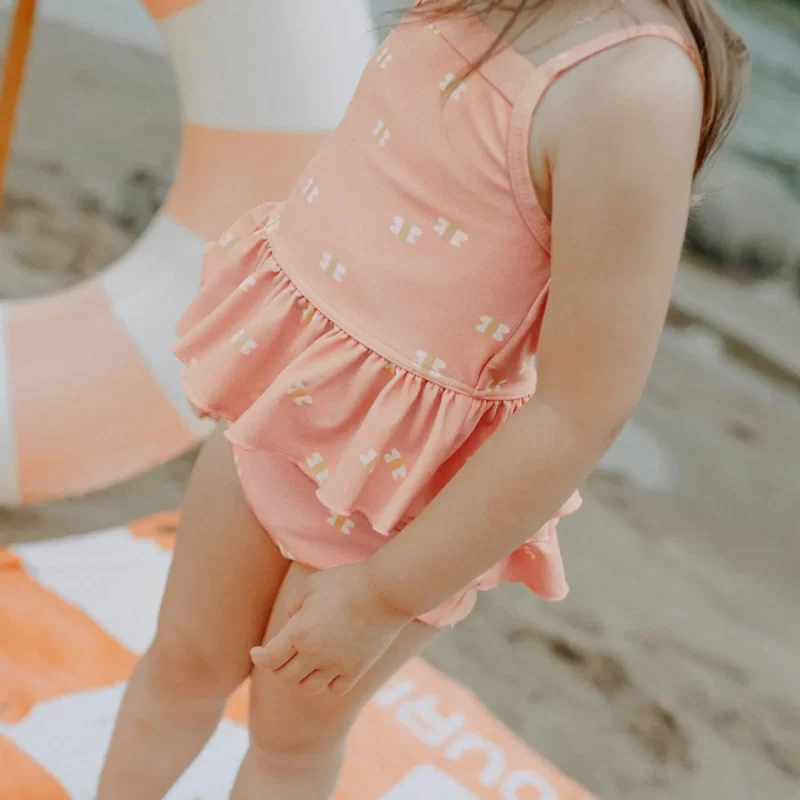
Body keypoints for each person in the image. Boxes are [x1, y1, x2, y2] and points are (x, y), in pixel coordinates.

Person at [98, 1, 748, 797]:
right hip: (289, 404)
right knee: (182, 662)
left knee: (289, 736)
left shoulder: (635, 85)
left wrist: (383, 596)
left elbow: (582, 407)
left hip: (399, 496)